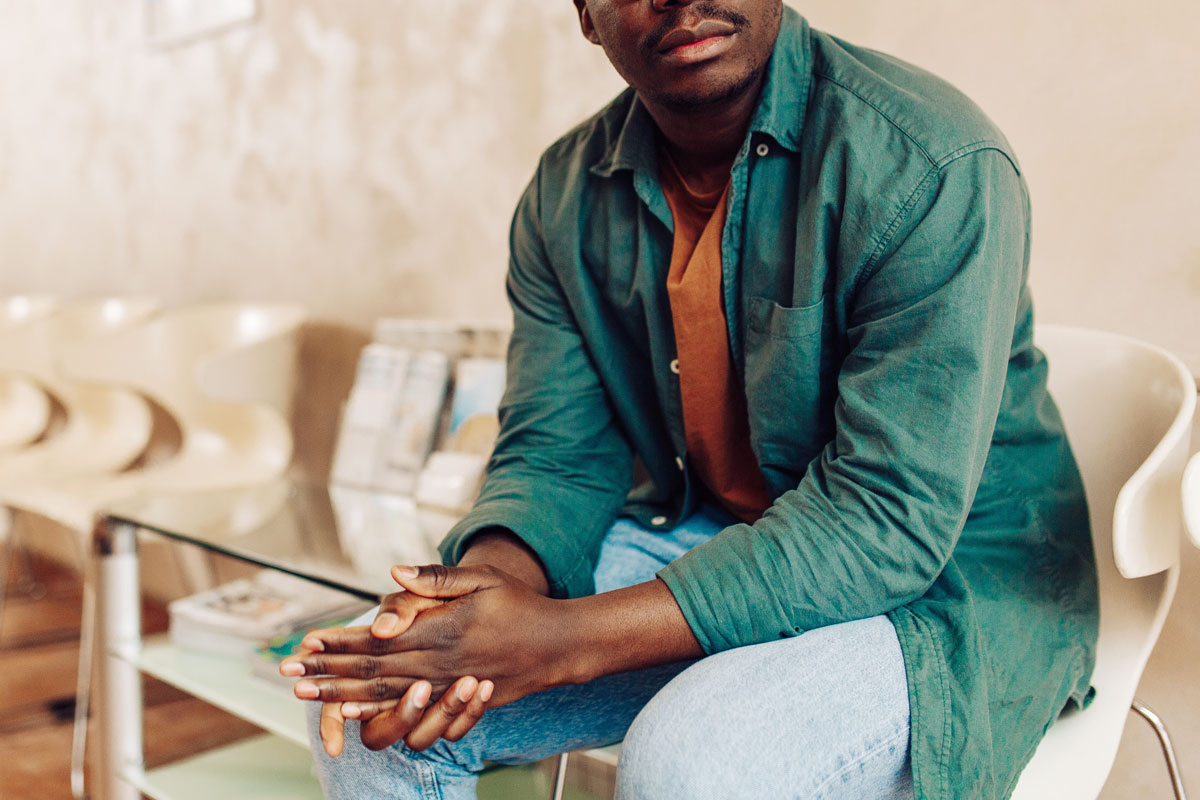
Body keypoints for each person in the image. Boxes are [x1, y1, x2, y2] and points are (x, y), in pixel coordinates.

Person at [281, 1, 1100, 797]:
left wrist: (560, 642)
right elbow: (555, 453)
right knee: (376, 703)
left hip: (947, 588)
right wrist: (483, 600)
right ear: (584, 13)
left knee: (692, 764)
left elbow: (887, 519)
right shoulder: (566, 194)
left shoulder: (932, 163)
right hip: (716, 535)